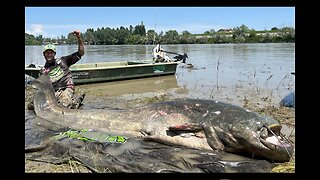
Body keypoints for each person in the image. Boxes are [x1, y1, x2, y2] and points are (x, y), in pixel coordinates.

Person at [27, 30, 85, 110]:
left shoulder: (63, 61)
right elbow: (43, 87)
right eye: (47, 53)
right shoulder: (43, 71)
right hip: (53, 92)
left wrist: (79, 38)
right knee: (32, 106)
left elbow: (81, 53)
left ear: (54, 54)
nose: (49, 55)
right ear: (44, 55)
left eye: (51, 53)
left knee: (64, 106)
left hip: (66, 89)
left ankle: (76, 102)